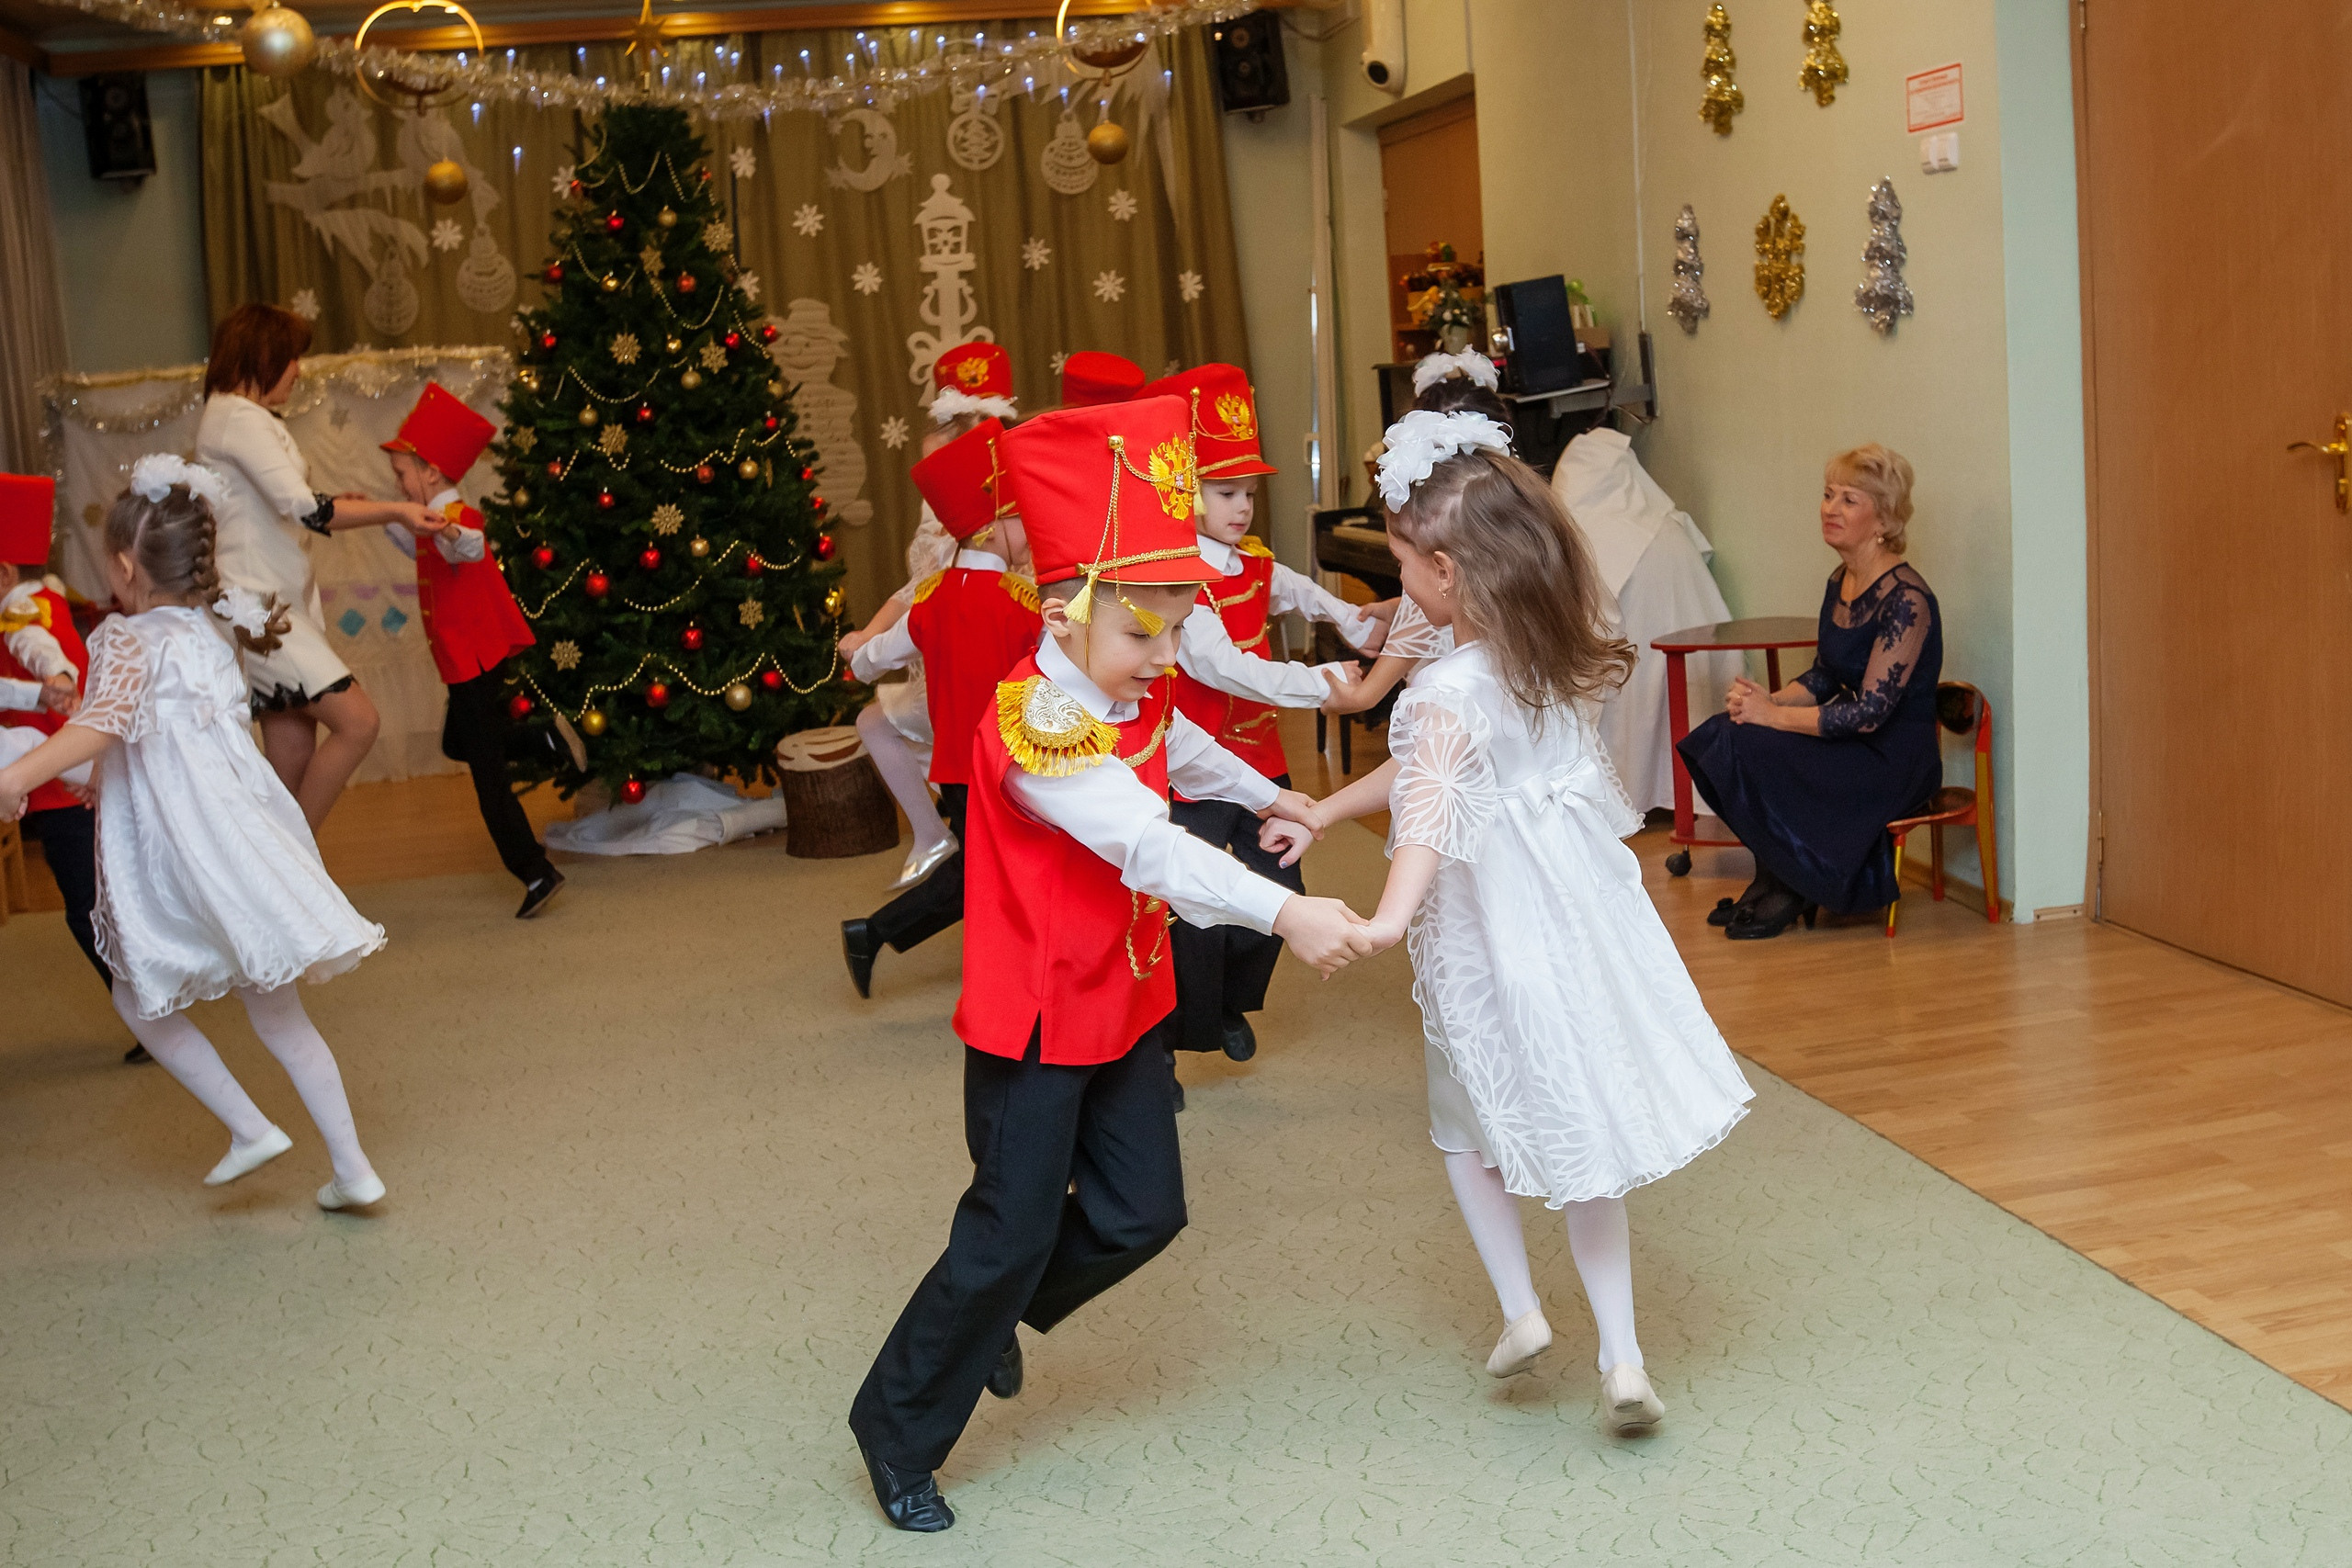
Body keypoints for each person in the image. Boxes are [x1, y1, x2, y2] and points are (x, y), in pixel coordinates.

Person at [845, 394, 1376, 1533]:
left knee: (1145, 1215)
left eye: (1174, 630)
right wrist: (1285, 918)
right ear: (1067, 609)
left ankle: (996, 1321)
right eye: (1145, 633)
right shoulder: (1035, 723)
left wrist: (1270, 790)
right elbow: (1141, 841)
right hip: (1038, 1013)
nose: (1164, 655)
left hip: (1127, 997)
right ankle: (895, 1428)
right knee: (1007, 1232)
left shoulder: (1124, 688)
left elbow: (1174, 744)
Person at [1313, 410, 1754, 1434]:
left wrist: (1385, 921)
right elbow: (1432, 775)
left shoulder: (1441, 693)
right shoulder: (1543, 655)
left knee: (1465, 1121)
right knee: (1578, 1124)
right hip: (1576, 916)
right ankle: (1623, 1356)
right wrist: (1329, 806)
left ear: (1446, 575)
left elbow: (1429, 808)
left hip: (1489, 929)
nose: (1400, 589)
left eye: (1403, 569)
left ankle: (1519, 1311)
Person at [0, 457, 389, 1211]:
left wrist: (17, 776)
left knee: (138, 1000)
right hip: (241, 838)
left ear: (122, 566)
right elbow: (164, 741)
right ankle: (353, 1168)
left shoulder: (127, 639)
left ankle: (248, 1126)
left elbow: (101, 725)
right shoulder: (211, 630)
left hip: (180, 850)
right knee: (280, 1013)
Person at [1138, 361, 1390, 1074]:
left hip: (1256, 757)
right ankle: (1161, 1049)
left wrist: (1349, 617)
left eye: (1248, 492)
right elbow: (1222, 667)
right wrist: (1321, 682)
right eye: (1225, 492)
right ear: (1185, 492)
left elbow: (1297, 588)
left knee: (1281, 883)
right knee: (1186, 904)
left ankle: (1227, 1003)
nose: (1243, 506)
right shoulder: (1180, 572)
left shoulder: (1247, 560)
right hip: (1192, 764)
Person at [1675, 444, 1941, 938]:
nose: (1830, 509)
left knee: (1757, 741)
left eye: (1849, 500)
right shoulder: (1841, 579)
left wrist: (1773, 718)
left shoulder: (1907, 600)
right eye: (1827, 495)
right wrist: (1767, 701)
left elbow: (1869, 713)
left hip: (1893, 757)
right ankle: (1779, 877)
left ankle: (1797, 883)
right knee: (1724, 734)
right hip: (1856, 738)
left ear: (1883, 520)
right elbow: (1823, 676)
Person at [195, 304, 436, 829]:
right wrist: (394, 509)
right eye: (291, 358)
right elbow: (305, 508)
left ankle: (277, 887)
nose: (299, 370)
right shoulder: (238, 417)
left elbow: (288, 505)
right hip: (259, 608)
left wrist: (344, 504)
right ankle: (289, 870)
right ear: (263, 356)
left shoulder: (236, 416)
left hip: (270, 602)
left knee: (291, 762)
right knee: (359, 722)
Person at [839, 416, 1038, 997]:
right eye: (1019, 517)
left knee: (990, 874)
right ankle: (875, 933)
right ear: (989, 529)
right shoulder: (1019, 605)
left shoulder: (930, 601)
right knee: (987, 875)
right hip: (1007, 769)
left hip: (955, 768)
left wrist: (856, 656)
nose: (1027, 529)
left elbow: (871, 660)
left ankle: (887, 938)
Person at [379, 383, 565, 919]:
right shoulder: (427, 521)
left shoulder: (457, 515)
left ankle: (534, 870)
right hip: (463, 658)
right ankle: (538, 737)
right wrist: (378, 510)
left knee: (487, 773)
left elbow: (471, 544)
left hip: (473, 659)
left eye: (402, 476)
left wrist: (450, 531)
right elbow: (411, 539)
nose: (399, 483)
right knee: (456, 742)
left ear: (431, 474)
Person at [841, 343, 1021, 887]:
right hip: (949, 650)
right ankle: (942, 835)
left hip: (986, 657)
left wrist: (872, 649)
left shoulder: (994, 508)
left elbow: (935, 604)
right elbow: (917, 589)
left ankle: (944, 840)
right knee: (894, 728)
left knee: (905, 729)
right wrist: (872, 634)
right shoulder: (944, 503)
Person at [0, 471, 134, 1059]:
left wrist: (53, 678)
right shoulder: (48, 599)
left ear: (4, 573)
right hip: (71, 779)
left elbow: (39, 649)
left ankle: (150, 1016)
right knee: (104, 903)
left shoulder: (22, 608)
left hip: (62, 789)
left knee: (89, 912)